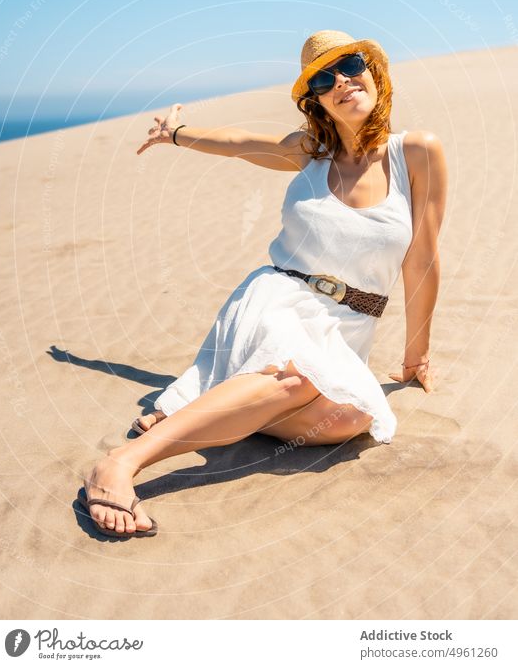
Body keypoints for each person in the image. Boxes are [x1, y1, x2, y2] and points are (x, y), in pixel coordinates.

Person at [77, 29, 447, 539]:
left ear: (374, 72)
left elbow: (422, 259)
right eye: (323, 78)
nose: (341, 80)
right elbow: (239, 144)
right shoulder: (311, 151)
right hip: (281, 298)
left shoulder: (417, 153)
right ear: (316, 100)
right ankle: (121, 464)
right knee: (300, 380)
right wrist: (178, 133)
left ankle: (207, 407)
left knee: (348, 419)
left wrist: (415, 357)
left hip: (348, 326)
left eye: (350, 65)